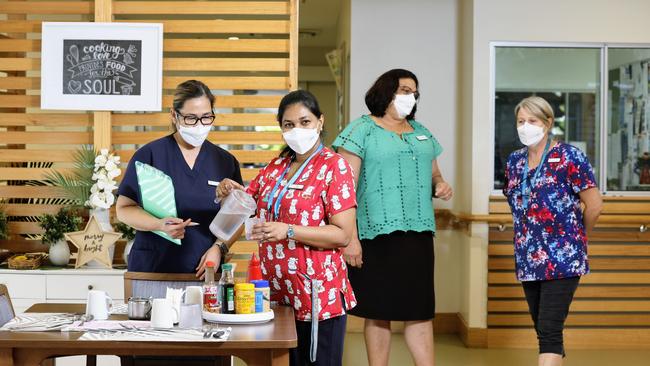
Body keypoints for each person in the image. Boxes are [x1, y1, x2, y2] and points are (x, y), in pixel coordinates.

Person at [217, 90, 357, 366]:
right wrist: (231, 191)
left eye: (305, 122)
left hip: (317, 296)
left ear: (320, 121)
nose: (297, 130)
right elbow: (250, 202)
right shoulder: (277, 166)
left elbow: (342, 234)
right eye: (289, 125)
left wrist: (289, 230)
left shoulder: (334, 167)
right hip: (277, 295)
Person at [333, 69, 452, 366]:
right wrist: (350, 239)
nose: (409, 96)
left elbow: (435, 173)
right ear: (385, 91)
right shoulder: (360, 129)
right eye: (403, 89)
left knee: (420, 310)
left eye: (413, 91)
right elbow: (344, 189)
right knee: (379, 311)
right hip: (375, 236)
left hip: (419, 234)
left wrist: (439, 185)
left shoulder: (421, 132)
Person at [503, 96, 602, 366]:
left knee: (548, 330)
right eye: (520, 121)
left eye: (532, 121)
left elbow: (594, 204)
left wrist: (580, 239)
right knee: (543, 328)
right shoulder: (514, 162)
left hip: (563, 258)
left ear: (548, 123)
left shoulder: (569, 156)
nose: (525, 126)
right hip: (528, 257)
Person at [116, 80, 243, 277]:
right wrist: (158, 225)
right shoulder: (150, 155)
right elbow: (124, 209)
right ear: (174, 115)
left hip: (204, 270)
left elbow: (236, 219)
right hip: (153, 267)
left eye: (206, 117)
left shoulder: (225, 161)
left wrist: (220, 248)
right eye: (191, 118)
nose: (199, 125)